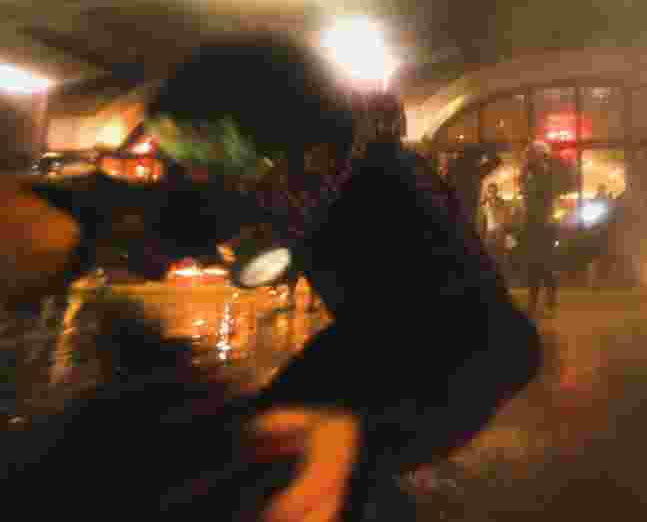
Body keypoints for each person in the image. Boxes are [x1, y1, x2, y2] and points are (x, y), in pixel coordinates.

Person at [17, 34, 542, 522]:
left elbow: (499, 343)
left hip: (410, 352)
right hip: (362, 341)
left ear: (312, 159)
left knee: (290, 458)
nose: (209, 194)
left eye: (222, 172)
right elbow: (169, 214)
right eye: (183, 165)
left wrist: (361, 434)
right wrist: (68, 217)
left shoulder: (396, 194)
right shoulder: (262, 179)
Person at [521, 141, 560, 317]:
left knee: (543, 262)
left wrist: (528, 171)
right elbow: (526, 192)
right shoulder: (531, 173)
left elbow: (541, 193)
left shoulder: (544, 172)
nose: (528, 158)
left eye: (531, 155)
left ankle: (547, 297)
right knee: (534, 263)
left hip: (543, 224)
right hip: (534, 223)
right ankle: (537, 299)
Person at [446, 145, 501, 231]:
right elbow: (497, 161)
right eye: (479, 159)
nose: (480, 161)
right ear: (473, 159)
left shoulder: (452, 172)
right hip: (469, 214)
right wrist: (485, 149)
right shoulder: (475, 172)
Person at [481, 182, 508, 272]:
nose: (492, 193)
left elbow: (504, 216)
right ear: (488, 192)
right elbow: (482, 218)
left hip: (498, 231)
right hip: (489, 231)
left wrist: (503, 230)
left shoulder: (501, 202)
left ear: (496, 191)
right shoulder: (484, 203)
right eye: (490, 191)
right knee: (489, 253)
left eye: (493, 191)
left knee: (499, 254)